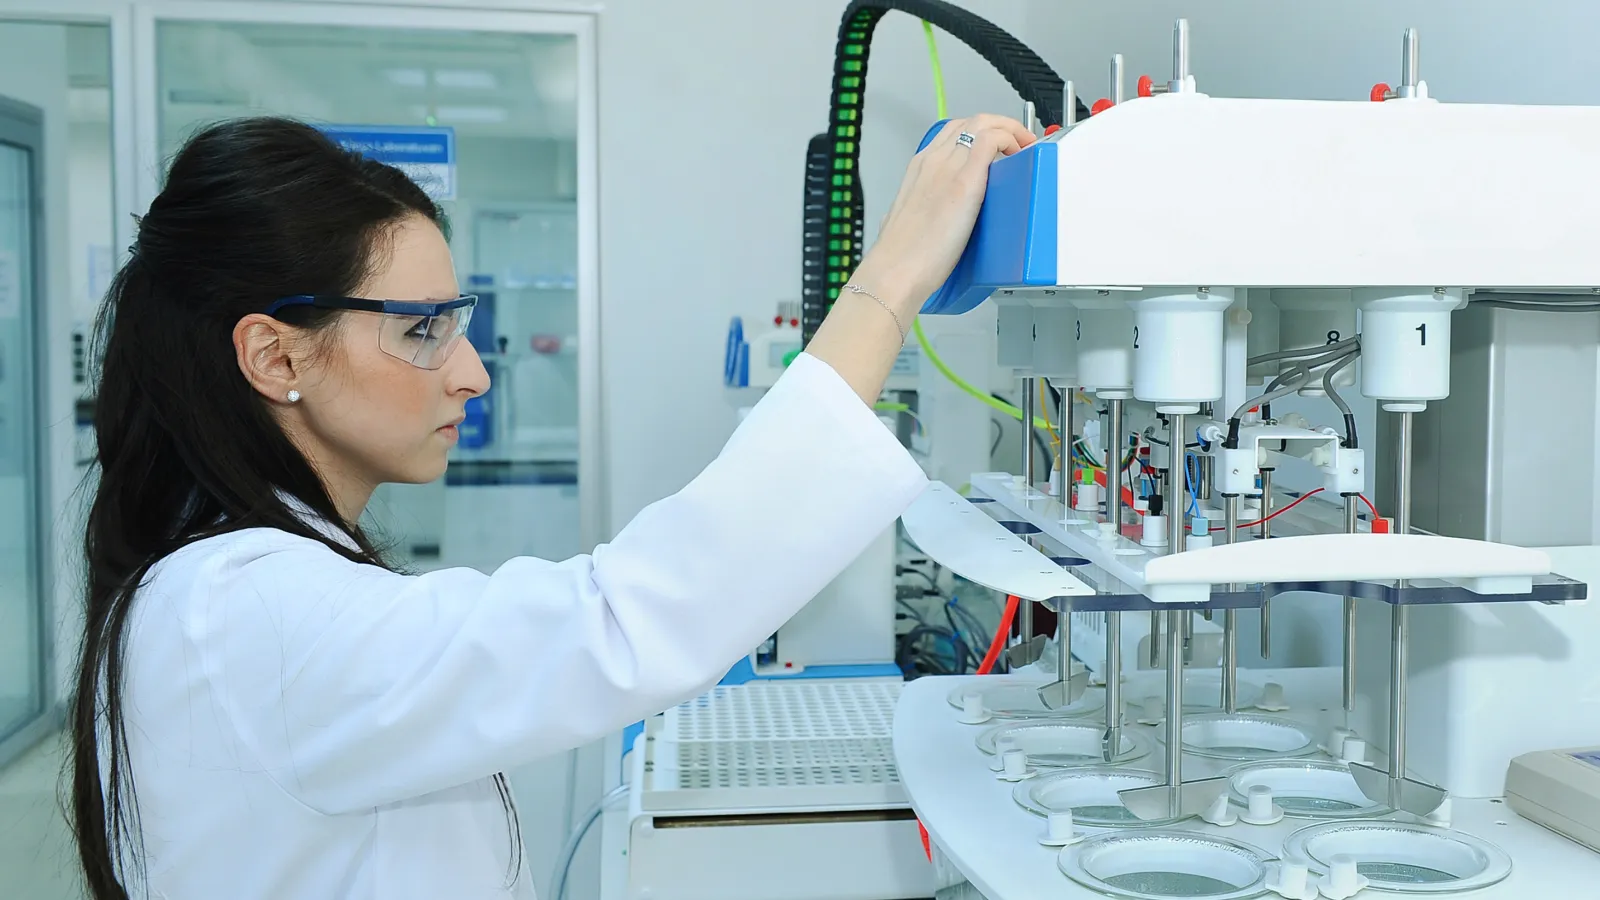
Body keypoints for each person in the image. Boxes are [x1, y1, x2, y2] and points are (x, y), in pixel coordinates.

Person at [69, 112, 1035, 900]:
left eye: (460, 322)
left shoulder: (238, 585)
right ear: (275, 357)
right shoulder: (242, 614)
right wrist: (893, 277)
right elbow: (626, 617)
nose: (473, 374)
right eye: (422, 331)